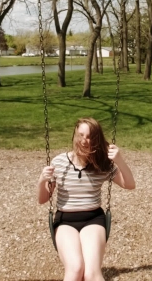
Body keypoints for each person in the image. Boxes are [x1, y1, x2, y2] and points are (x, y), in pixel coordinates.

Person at [37, 117, 136, 281]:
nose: (84, 141)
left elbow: (130, 184)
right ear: (74, 135)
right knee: (76, 269)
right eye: (80, 135)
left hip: (93, 219)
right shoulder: (59, 162)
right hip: (65, 221)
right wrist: (41, 180)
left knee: (91, 274)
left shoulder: (103, 165)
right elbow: (43, 199)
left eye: (89, 137)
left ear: (96, 140)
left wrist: (119, 160)